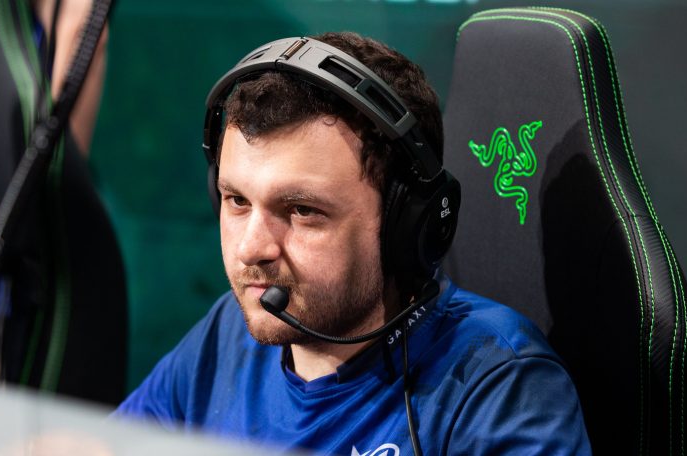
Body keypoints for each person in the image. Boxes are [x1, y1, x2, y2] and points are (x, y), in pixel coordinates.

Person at [115, 32, 591, 455]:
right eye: (237, 201)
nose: (250, 249)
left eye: (302, 210)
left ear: (406, 226)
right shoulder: (226, 335)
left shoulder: (496, 385)